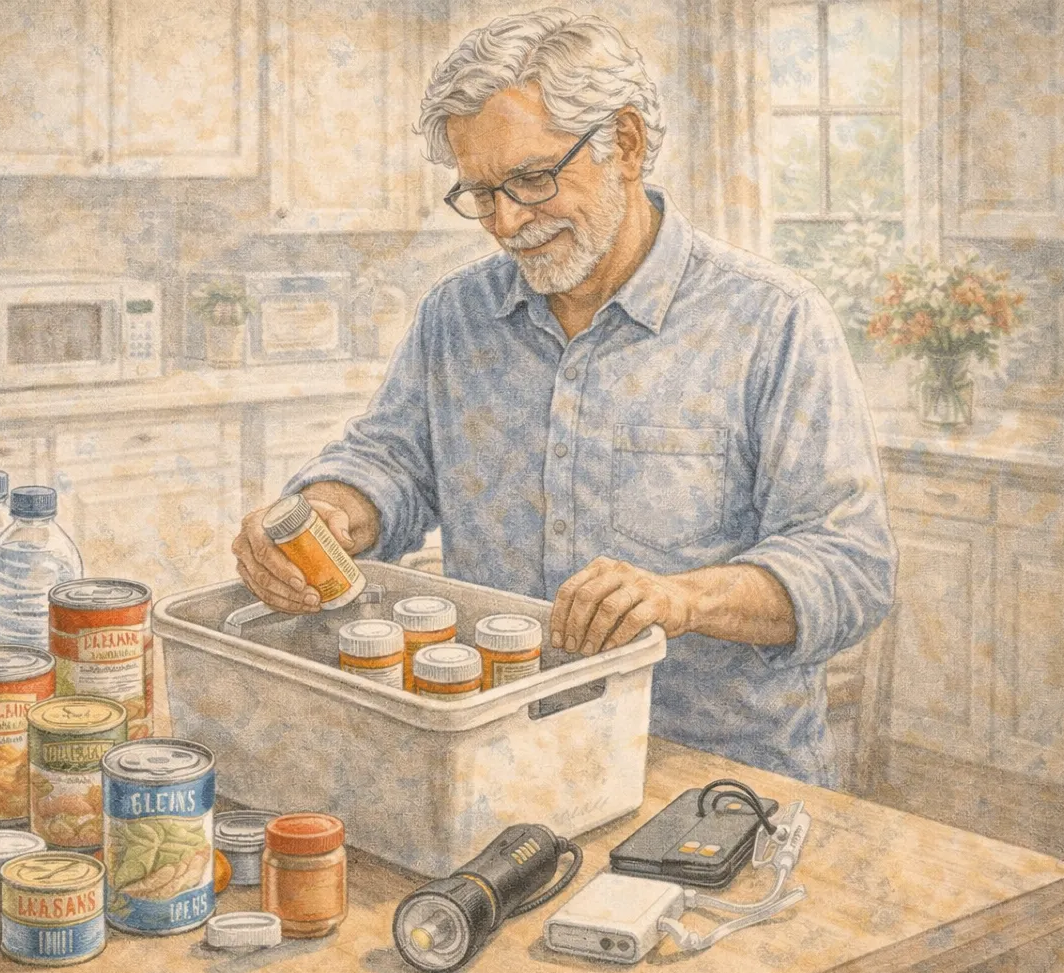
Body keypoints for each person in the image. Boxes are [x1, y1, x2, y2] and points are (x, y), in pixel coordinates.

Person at [230, 8, 895, 787]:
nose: (507, 221)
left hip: (715, 777)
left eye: (533, 179)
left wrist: (681, 600)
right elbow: (392, 463)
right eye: (480, 194)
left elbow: (850, 566)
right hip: (501, 755)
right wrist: (335, 510)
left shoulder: (773, 320)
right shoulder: (457, 317)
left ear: (628, 144)